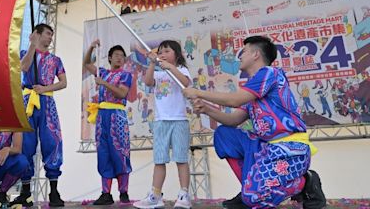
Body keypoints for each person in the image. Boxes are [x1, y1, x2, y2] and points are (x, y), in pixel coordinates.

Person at [183, 36, 327, 209]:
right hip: (267, 148)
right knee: (224, 135)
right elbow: (233, 119)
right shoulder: (253, 88)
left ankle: (305, 183)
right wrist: (206, 108)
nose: (240, 56)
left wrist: (199, 93)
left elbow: (235, 100)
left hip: (290, 148)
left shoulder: (269, 73)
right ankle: (248, 188)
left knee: (254, 198)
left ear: (256, 55)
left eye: (244, 52)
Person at [10, 24, 67, 207]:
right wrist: (33, 45)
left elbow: (63, 83)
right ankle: (25, 191)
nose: (51, 37)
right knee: (26, 144)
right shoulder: (26, 52)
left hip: (47, 103)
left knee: (52, 142)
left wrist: (45, 88)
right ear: (38, 34)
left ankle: (54, 191)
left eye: (52, 34)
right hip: (27, 103)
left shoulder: (56, 60)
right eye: (48, 34)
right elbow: (23, 67)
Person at [133, 40, 192, 209]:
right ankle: (155, 195)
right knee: (159, 160)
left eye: (167, 51)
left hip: (179, 120)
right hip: (160, 122)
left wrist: (170, 67)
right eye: (160, 52)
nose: (162, 54)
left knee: (181, 158)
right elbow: (148, 81)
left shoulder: (181, 70)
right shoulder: (159, 74)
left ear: (177, 54)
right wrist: (152, 63)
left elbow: (186, 83)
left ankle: (183, 195)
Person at [83, 40, 133, 205]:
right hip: (102, 116)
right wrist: (91, 46)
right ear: (110, 58)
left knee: (120, 151)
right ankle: (106, 193)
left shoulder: (126, 75)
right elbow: (86, 63)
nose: (120, 58)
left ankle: (123, 192)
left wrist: (104, 83)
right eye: (116, 55)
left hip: (117, 115)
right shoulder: (102, 72)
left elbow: (121, 94)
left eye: (122, 56)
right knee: (103, 152)